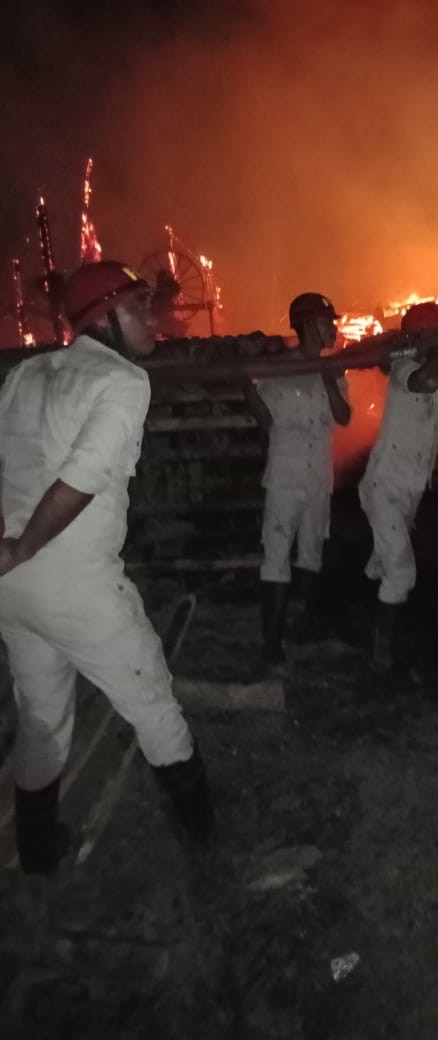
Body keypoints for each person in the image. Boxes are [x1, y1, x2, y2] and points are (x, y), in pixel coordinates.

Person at [0, 260, 214, 873]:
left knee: (41, 720)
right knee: (153, 705)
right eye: (141, 306)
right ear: (108, 317)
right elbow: (82, 479)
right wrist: (24, 545)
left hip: (11, 589)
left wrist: (7, 549)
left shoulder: (23, 374)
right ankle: (205, 844)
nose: (155, 316)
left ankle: (39, 853)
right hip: (74, 584)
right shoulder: (123, 381)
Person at [358, 301, 438, 671]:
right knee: (401, 571)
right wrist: (436, 356)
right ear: (422, 337)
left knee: (383, 562)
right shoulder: (404, 366)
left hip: (412, 486)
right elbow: (426, 382)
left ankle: (363, 616)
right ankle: (380, 652)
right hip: (383, 484)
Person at [244, 292, 351, 665]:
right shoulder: (278, 368)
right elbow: (266, 418)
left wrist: (326, 378)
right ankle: (272, 641)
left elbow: (343, 417)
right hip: (285, 475)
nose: (333, 328)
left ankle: (304, 623)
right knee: (275, 554)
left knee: (311, 551)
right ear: (308, 325)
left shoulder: (337, 368)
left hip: (318, 475)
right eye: (326, 322)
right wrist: (245, 384)